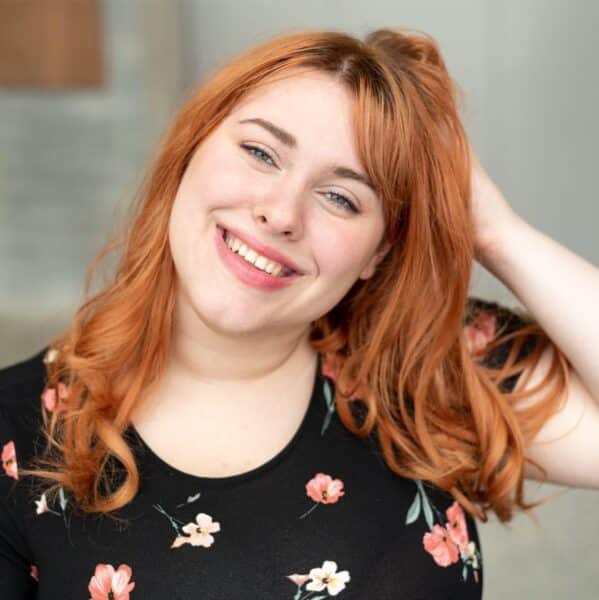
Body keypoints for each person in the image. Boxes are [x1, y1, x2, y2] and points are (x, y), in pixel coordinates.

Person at [1, 26, 597, 599]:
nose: (282, 213)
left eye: (340, 196)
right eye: (261, 152)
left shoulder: (422, 370)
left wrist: (494, 231)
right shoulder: (16, 435)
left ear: (379, 250)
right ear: (189, 151)